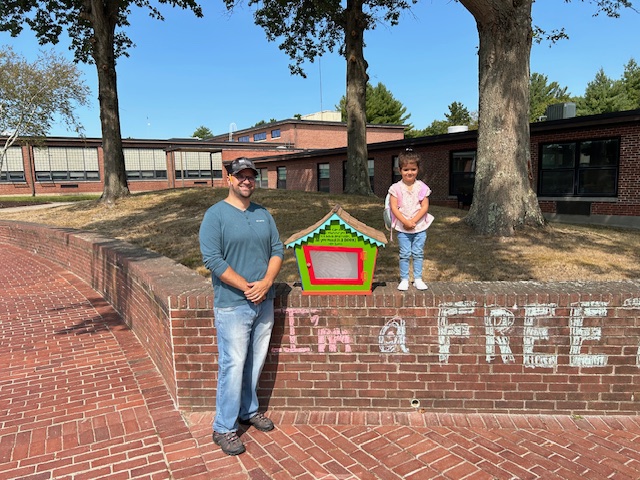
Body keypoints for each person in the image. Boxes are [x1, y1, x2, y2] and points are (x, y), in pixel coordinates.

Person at [199, 157, 284, 456]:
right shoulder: (216, 216)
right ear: (229, 180)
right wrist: (247, 287)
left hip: (264, 301)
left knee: (255, 362)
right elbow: (212, 259)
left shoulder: (264, 214)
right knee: (233, 365)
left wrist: (266, 283)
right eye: (241, 176)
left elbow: (277, 250)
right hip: (233, 304)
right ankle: (223, 427)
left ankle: (249, 410)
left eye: (251, 176)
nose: (247, 181)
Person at [388, 148, 432, 291]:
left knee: (418, 253)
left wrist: (414, 220)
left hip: (419, 227)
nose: (410, 172)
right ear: (400, 170)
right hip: (402, 228)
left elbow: (424, 206)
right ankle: (404, 279)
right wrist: (405, 222)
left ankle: (418, 278)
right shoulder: (395, 188)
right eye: (406, 169)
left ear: (418, 169)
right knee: (405, 254)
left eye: (413, 169)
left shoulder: (422, 187)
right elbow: (394, 207)